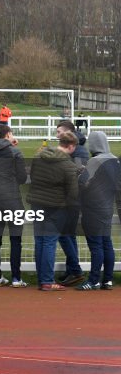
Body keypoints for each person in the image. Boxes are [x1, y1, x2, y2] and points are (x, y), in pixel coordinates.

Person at [28, 132, 80, 291]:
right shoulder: (68, 165)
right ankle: (47, 280)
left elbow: (32, 175)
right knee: (49, 242)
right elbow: (73, 192)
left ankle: (42, 279)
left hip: (37, 203)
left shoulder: (39, 157)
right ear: (70, 146)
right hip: (56, 206)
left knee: (40, 241)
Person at [0, 124, 28, 287]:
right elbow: (22, 178)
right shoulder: (15, 152)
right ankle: (16, 277)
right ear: (8, 134)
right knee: (15, 239)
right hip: (12, 198)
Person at [76, 131, 117, 290]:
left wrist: (80, 173)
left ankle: (93, 280)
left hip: (93, 208)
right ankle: (107, 279)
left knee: (96, 245)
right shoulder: (114, 160)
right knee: (107, 243)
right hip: (107, 206)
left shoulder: (95, 161)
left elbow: (83, 182)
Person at [55, 119, 88, 286]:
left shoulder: (79, 151)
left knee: (63, 234)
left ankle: (75, 270)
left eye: (59, 132)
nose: (57, 135)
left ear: (69, 132)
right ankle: (71, 271)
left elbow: (78, 174)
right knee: (69, 235)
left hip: (72, 200)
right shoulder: (75, 149)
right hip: (68, 199)